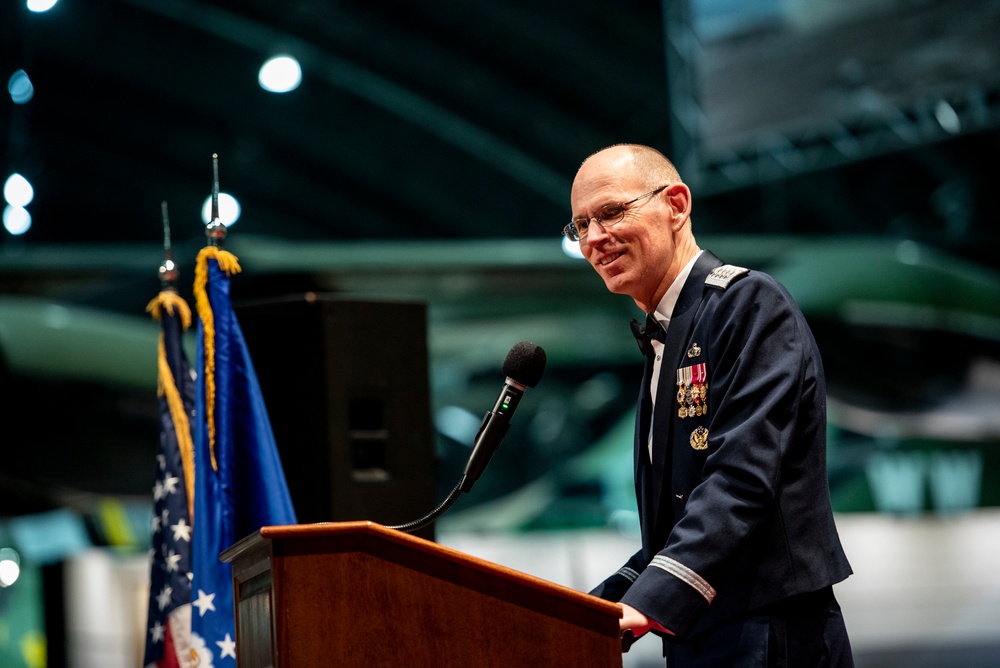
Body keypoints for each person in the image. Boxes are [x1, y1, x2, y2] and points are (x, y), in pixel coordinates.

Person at [568, 144, 853, 666]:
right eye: (580, 225)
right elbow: (679, 518)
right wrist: (594, 607)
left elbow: (741, 480)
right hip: (704, 633)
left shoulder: (750, 303)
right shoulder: (672, 332)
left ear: (676, 205)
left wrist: (650, 600)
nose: (593, 239)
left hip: (770, 631)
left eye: (610, 213)